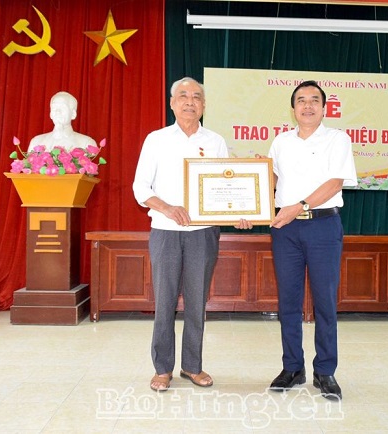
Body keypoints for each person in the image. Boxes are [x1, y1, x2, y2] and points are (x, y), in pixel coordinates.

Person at [133, 77, 252, 392]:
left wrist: (239, 212)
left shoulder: (215, 141)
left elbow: (226, 185)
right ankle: (162, 369)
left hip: (203, 233)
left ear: (204, 105)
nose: (190, 101)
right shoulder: (156, 139)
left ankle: (192, 366)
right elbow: (140, 187)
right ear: (172, 103)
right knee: (165, 302)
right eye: (183, 96)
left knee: (197, 302)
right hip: (166, 230)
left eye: (196, 96)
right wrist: (168, 208)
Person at [267, 80, 357, 400]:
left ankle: (325, 371)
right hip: (285, 230)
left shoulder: (338, 139)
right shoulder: (281, 141)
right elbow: (270, 179)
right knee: (288, 302)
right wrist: (250, 207)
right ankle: (293, 367)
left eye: (314, 100)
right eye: (301, 100)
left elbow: (335, 183)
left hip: (323, 226)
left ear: (324, 107)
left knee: (325, 302)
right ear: (293, 108)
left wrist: (300, 206)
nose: (307, 105)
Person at [28, 91, 96, 152]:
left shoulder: (87, 144)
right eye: (54, 107)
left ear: (73, 114)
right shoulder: (36, 142)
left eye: (63, 107)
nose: (57, 111)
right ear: (50, 114)